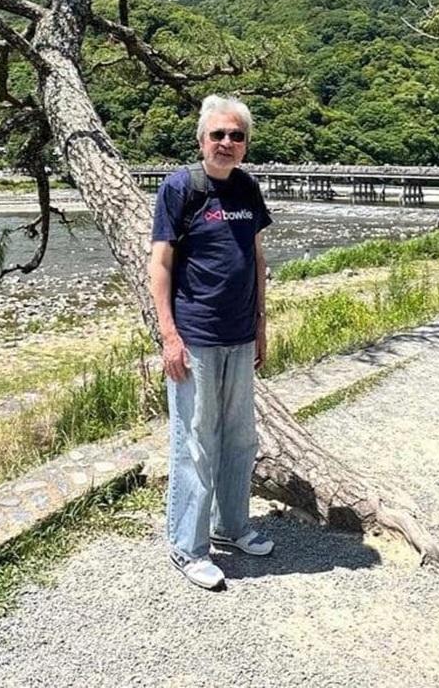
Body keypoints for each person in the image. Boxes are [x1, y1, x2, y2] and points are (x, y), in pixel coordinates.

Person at [150, 93, 273, 590]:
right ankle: (187, 546)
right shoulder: (182, 187)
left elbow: (258, 259)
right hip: (195, 338)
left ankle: (233, 525)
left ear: (245, 144)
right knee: (194, 443)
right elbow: (160, 264)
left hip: (241, 336)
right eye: (218, 134)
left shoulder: (247, 189)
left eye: (236, 135)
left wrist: (262, 324)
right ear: (202, 140)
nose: (227, 142)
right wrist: (169, 336)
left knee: (240, 438)